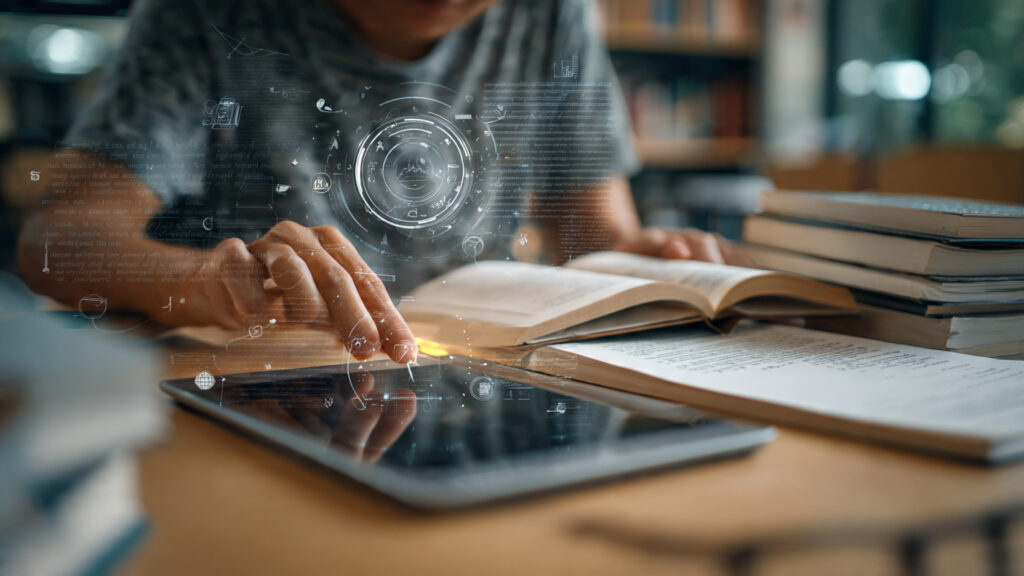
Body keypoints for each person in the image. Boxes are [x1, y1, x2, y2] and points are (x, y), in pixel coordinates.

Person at [18, 0, 735, 365]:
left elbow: (595, 233)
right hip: (245, 382)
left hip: (463, 384)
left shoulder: (549, 12)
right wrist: (203, 279)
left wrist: (644, 260)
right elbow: (55, 242)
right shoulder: (210, 13)